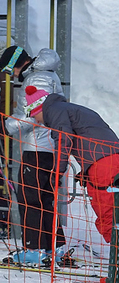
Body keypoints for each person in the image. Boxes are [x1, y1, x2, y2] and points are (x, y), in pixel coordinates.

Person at [24, 86, 119, 245]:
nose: (36, 121)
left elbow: (64, 140)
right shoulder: (67, 108)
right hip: (115, 158)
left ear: (39, 108)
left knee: (106, 209)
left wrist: (57, 172)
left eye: (34, 115)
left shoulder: (54, 111)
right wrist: (86, 169)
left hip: (103, 163)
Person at [1, 46, 68, 265]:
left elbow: (36, 115)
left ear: (14, 65)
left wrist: (6, 126)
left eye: (8, 71)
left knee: (30, 199)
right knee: (45, 198)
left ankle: (35, 249)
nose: (10, 76)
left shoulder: (36, 79)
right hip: (47, 147)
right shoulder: (45, 74)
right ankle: (52, 247)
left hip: (38, 148)